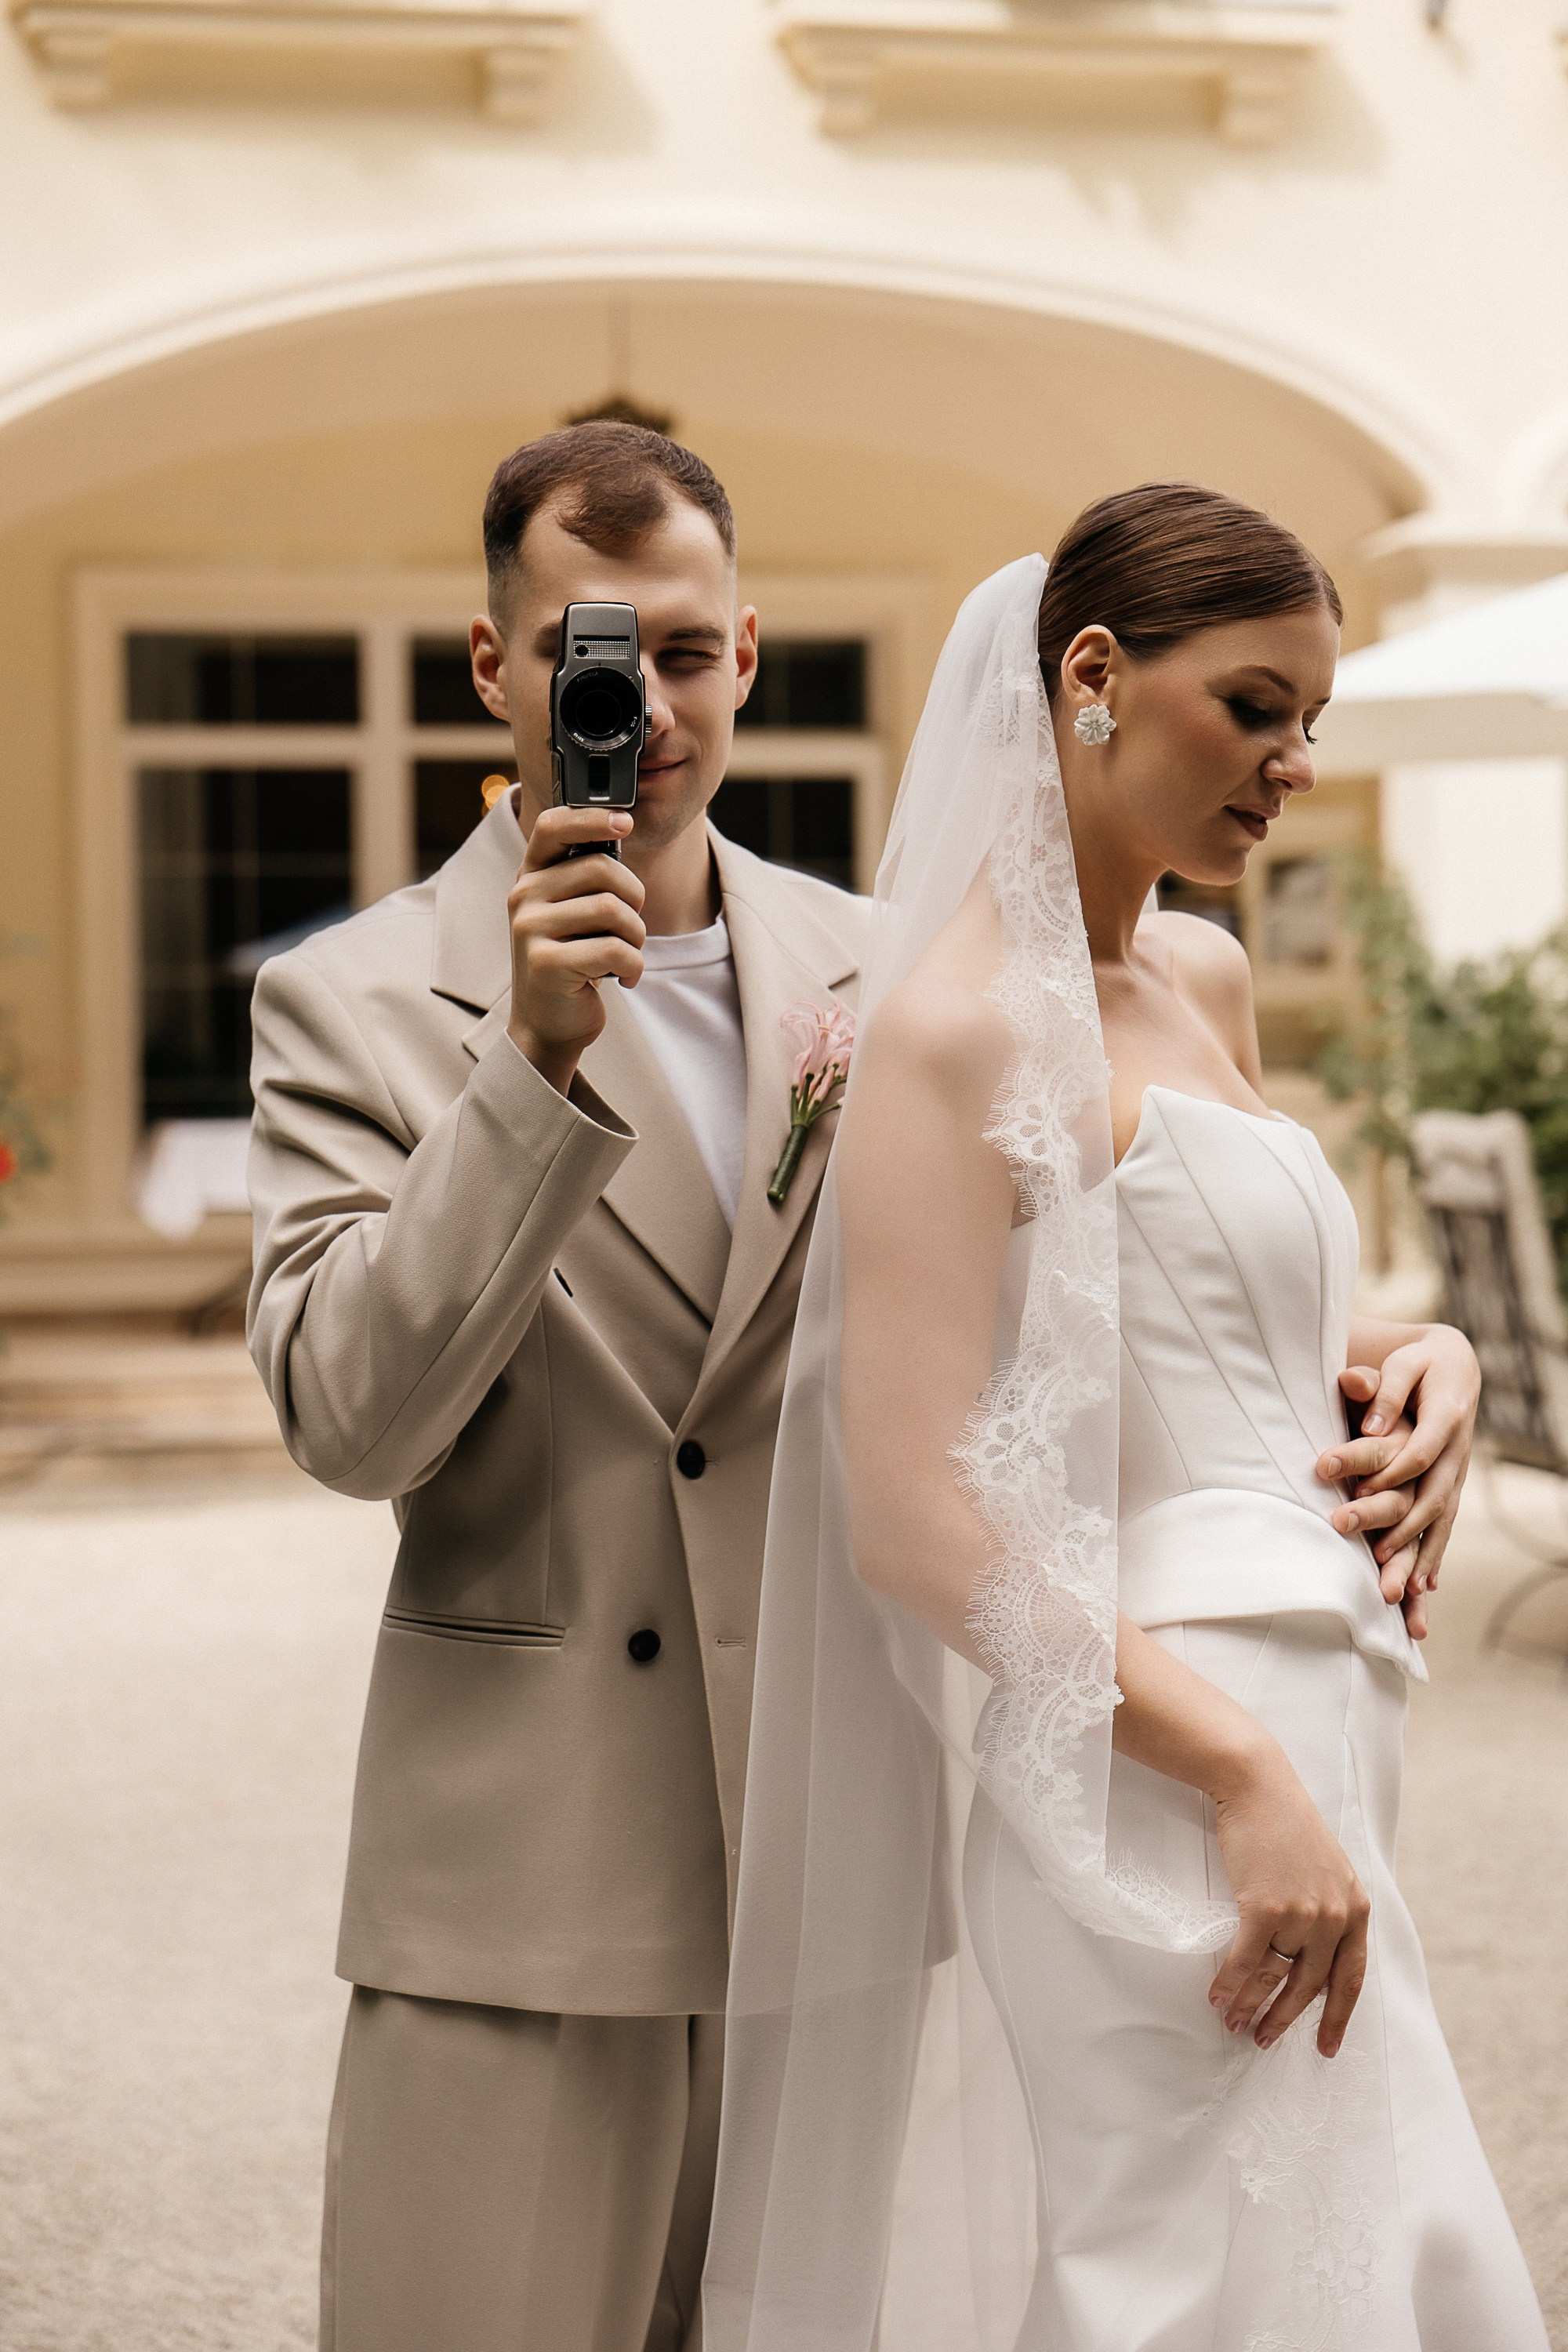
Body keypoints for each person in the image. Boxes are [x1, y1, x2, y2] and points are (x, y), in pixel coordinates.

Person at [703, 487, 1548, 2350]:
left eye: (1310, 720)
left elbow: (1233, 1321)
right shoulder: (946, 1035)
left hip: (1333, 1711)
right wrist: (1242, 1775)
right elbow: (913, 1518)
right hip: (1159, 1768)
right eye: (1254, 707)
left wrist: (1437, 1360)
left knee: (1362, 2254)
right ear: (1092, 678)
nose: (1295, 763)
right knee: (1180, 2282)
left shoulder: (1205, 978)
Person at [245, 420, 871, 2352]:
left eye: (684, 655)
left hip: (822, 1861)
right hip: (523, 1881)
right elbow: (352, 1421)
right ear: (496, 668)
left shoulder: (870, 973)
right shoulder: (349, 999)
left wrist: (1399, 1349)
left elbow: (1050, 1305)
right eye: (597, 655)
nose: (648, 705)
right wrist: (524, 1069)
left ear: (748, 656)